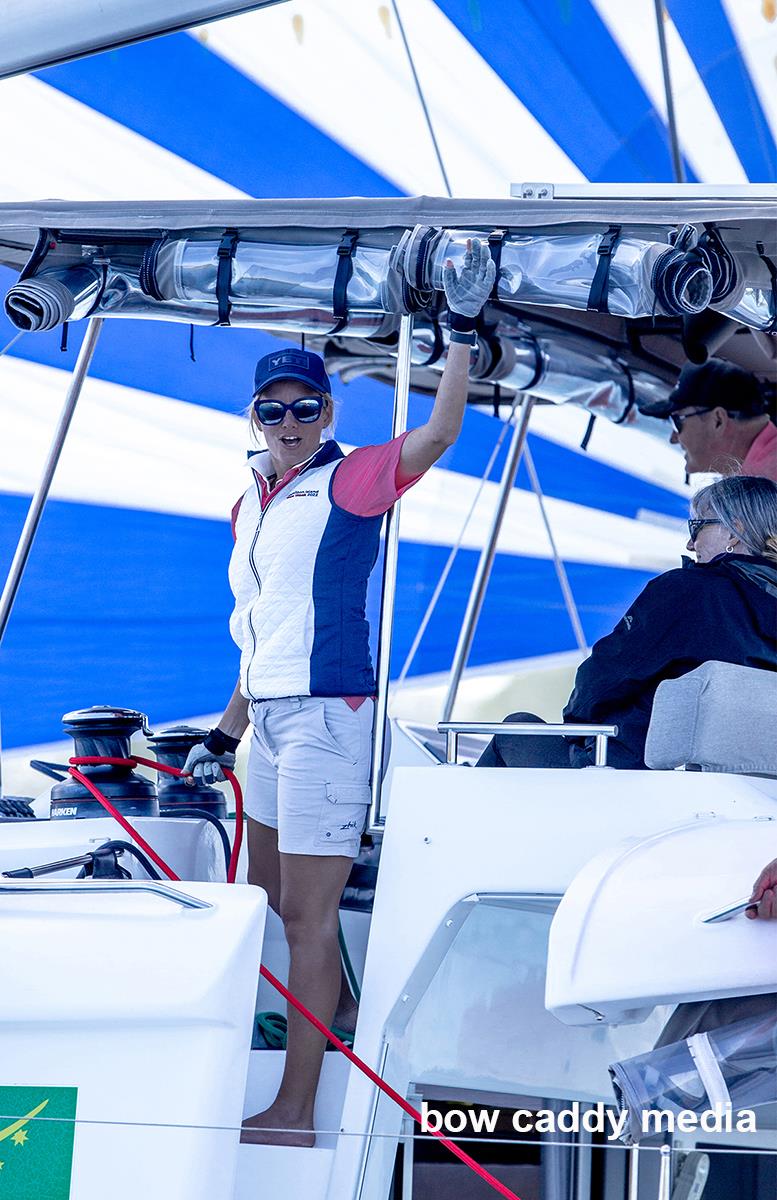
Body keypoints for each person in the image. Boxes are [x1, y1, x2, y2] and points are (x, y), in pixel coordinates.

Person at [183, 239, 495, 1147]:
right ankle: (339, 1018)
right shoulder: (249, 502)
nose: (287, 421)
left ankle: (293, 1110)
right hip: (268, 721)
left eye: (304, 407)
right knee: (268, 899)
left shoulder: (350, 480)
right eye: (272, 408)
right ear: (254, 414)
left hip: (328, 719)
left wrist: (462, 340)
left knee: (309, 917)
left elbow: (438, 437)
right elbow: (259, 629)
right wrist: (224, 729)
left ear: (327, 412)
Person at [477, 475, 777, 771]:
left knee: (517, 730)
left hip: (633, 774)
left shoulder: (690, 590)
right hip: (753, 793)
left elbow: (607, 675)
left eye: (697, 527)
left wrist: (577, 728)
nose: (689, 542)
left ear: (734, 532)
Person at [653, 358, 776, 480]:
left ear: (718, 420)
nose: (673, 439)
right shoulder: (758, 476)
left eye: (677, 422)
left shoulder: (764, 485)